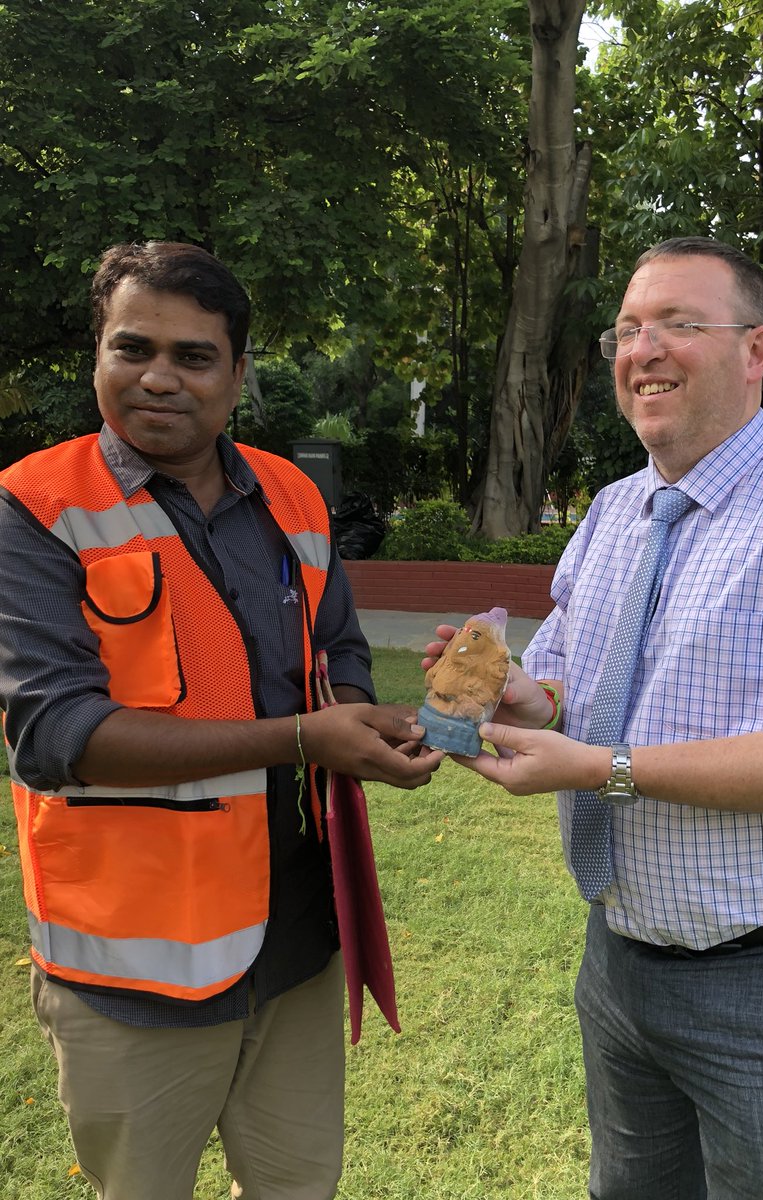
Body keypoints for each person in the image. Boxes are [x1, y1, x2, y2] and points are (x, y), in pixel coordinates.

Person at [428, 237, 763, 1199]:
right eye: (630, 327)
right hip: (622, 961)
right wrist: (516, 695)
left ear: (757, 350)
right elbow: (562, 682)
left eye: (681, 324)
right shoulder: (611, 511)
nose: (644, 348)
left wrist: (592, 766)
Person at [0, 241, 443, 1200]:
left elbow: (342, 654)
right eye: (133, 348)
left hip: (295, 944)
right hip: (134, 965)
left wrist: (367, 726)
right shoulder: (35, 506)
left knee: (297, 1187)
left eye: (194, 356)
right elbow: (54, 734)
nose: (159, 376)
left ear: (238, 376)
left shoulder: (291, 496)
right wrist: (300, 740)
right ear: (98, 358)